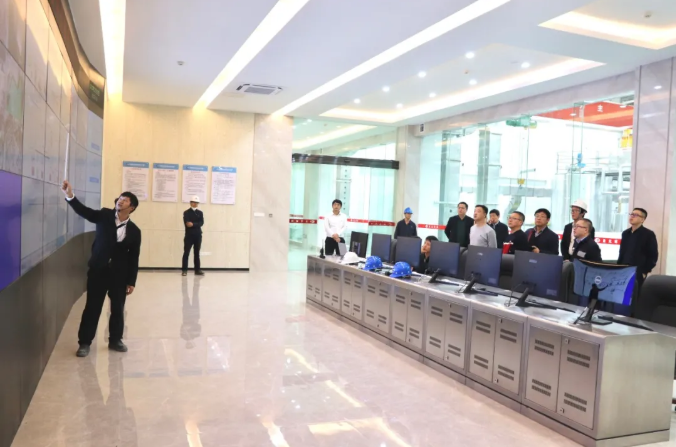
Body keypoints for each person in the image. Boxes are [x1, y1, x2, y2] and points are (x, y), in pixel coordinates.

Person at [61, 180, 141, 358]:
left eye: (125, 200)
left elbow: (134, 257)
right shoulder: (104, 215)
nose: (121, 201)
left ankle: (115, 340)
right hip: (98, 271)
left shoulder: (135, 231)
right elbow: (85, 212)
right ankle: (84, 342)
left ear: (132, 208)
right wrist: (70, 196)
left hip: (119, 275)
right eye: (120, 198)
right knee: (92, 307)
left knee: (118, 308)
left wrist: (131, 281)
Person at [618, 208, 658, 296]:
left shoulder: (648, 234)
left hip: (638, 272)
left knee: (635, 296)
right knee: (622, 295)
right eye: (631, 214)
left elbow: (653, 255)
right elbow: (621, 252)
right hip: (623, 270)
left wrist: (644, 271)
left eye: (635, 215)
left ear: (642, 219)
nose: (632, 216)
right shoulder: (625, 233)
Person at [182, 195, 205, 276]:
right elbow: (187, 223)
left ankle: (197, 270)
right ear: (190, 203)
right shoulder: (186, 212)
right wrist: (194, 224)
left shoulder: (200, 213)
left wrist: (193, 224)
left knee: (197, 253)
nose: (195, 204)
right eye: (193, 202)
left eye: (196, 202)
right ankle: (184, 270)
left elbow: (201, 223)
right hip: (189, 235)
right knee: (186, 253)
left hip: (198, 235)